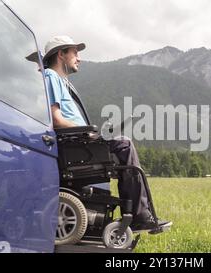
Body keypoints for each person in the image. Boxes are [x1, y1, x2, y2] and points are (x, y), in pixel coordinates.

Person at [41, 35, 171, 231]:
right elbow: (56, 119)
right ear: (61, 54)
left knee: (123, 147)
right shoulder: (51, 76)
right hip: (75, 145)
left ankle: (137, 214)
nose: (79, 58)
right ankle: (139, 216)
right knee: (125, 145)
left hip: (80, 141)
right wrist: (88, 133)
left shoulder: (62, 82)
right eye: (75, 53)